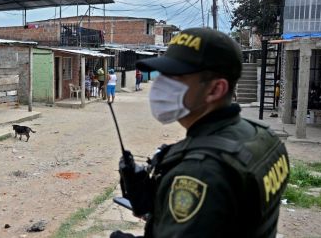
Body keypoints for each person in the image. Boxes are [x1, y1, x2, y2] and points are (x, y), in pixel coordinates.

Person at [112, 28, 289, 238]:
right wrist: (159, 200)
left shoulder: (200, 172)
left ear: (215, 89)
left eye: (174, 77)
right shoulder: (263, 136)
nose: (160, 85)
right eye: (163, 75)